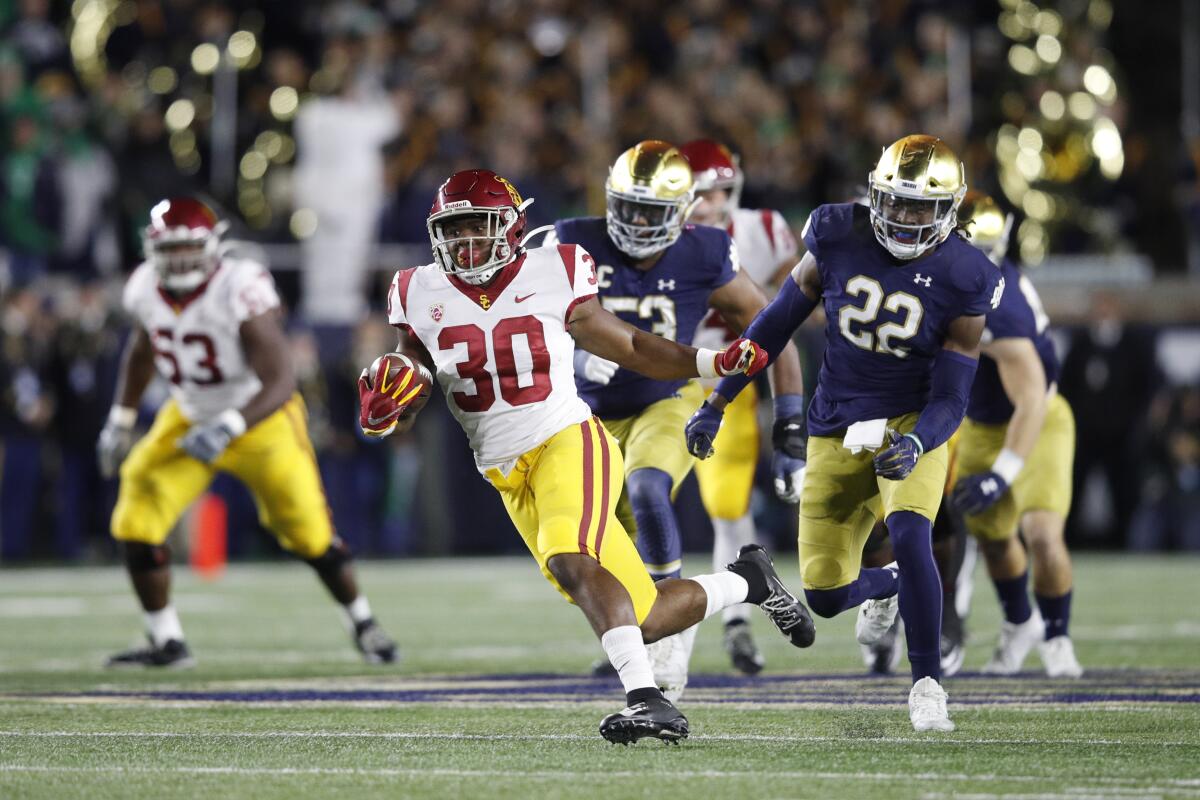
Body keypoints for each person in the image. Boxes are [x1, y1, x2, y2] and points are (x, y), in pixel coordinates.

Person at [362, 169, 815, 744]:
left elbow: (628, 344)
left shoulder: (553, 269)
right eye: (455, 232)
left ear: (512, 228)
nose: (467, 245)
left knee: (571, 560)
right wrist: (392, 403)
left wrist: (709, 363)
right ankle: (749, 581)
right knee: (644, 614)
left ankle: (648, 701)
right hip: (502, 467)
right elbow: (417, 366)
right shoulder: (416, 288)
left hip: (565, 440)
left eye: (480, 229)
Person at [686, 135, 1004, 732]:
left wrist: (917, 442)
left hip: (911, 421)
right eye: (897, 202)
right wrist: (720, 398)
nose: (906, 219)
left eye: (920, 207)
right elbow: (773, 325)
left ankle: (927, 684)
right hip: (834, 423)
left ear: (949, 211)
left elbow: (953, 394)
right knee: (826, 596)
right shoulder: (836, 232)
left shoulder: (967, 274)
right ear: (875, 195)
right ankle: (884, 587)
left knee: (912, 532)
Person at [548, 141, 806, 695]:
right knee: (589, 545)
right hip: (580, 414)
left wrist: (788, 418)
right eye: (631, 207)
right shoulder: (570, 240)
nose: (639, 223)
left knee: (647, 486)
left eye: (653, 210)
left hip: (666, 399)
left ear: (681, 210)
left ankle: (667, 643)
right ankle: (735, 586)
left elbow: (773, 328)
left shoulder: (705, 250)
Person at [97, 197, 397, 667]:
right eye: (169, 249)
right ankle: (167, 642)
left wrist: (230, 426)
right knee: (137, 514)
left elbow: (282, 380)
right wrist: (121, 418)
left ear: (214, 246)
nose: (177, 260)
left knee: (310, 534)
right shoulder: (143, 287)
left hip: (260, 418)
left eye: (187, 248)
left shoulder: (239, 285)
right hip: (190, 414)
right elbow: (142, 349)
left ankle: (362, 621)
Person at [679, 138, 803, 675]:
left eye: (719, 189)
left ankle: (736, 622)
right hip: (664, 372)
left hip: (728, 377)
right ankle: (629, 629)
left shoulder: (765, 230)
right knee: (628, 507)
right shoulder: (661, 233)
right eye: (699, 192)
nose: (710, 202)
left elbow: (801, 291)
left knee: (728, 504)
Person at [948, 191, 1083, 678]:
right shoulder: (931, 280)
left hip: (1036, 421)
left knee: (1043, 535)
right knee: (995, 540)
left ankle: (1057, 635)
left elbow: (1029, 400)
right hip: (980, 423)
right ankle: (1018, 622)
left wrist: (1001, 474)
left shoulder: (997, 302)